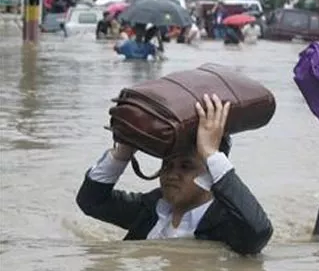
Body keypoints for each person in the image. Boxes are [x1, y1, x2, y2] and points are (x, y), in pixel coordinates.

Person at [76, 94, 273, 255]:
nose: (172, 174)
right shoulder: (151, 208)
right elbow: (91, 202)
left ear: (210, 175)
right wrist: (123, 152)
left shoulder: (225, 222)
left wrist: (211, 153)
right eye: (168, 165)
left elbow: (259, 233)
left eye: (186, 167)